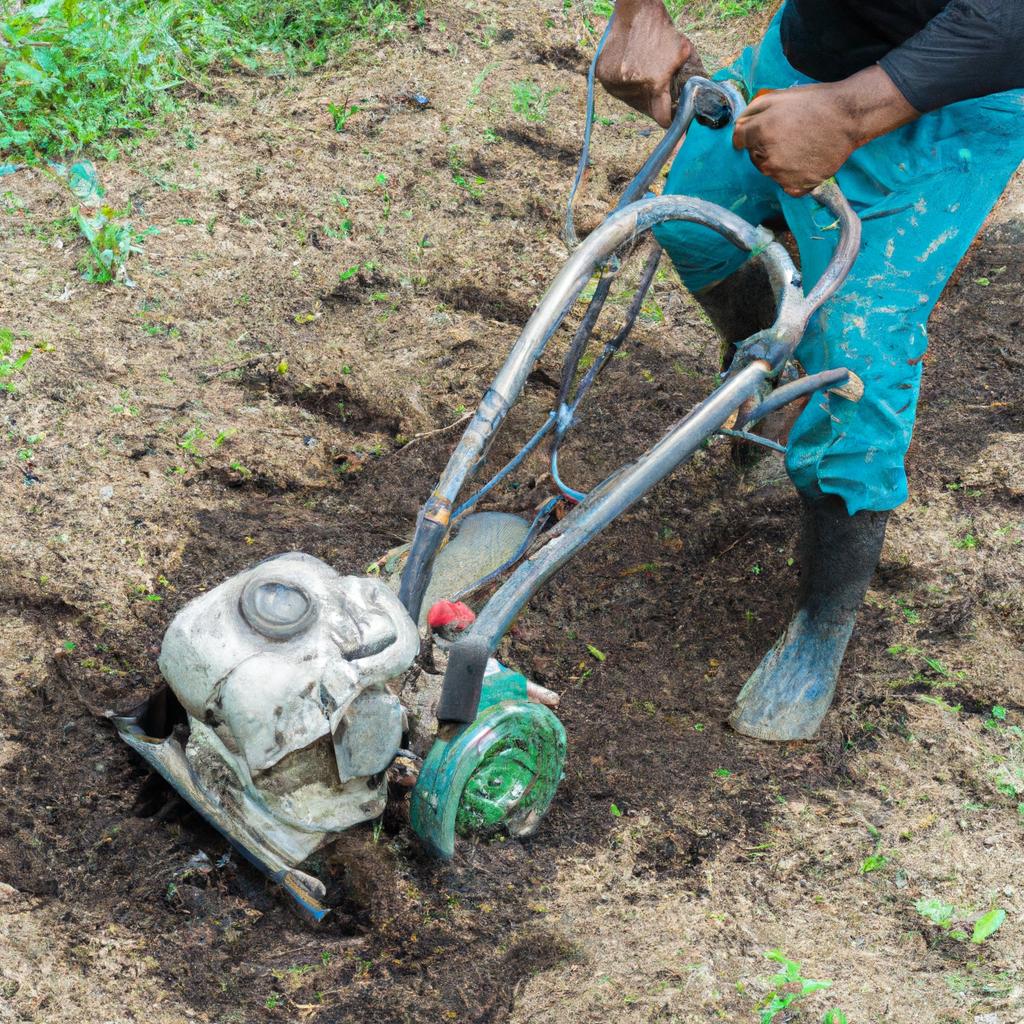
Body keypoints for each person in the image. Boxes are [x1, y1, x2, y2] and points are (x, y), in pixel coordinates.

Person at [596, 1, 1024, 741]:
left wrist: (853, 114)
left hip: (960, 95)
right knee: (694, 223)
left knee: (859, 346)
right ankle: (768, 362)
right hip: (808, 53)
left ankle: (822, 623)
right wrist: (639, 13)